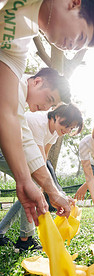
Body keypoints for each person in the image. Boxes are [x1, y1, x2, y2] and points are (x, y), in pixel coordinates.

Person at [0, 0, 94, 224]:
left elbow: (10, 118)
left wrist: (27, 181)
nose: (72, 47)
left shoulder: (18, 48)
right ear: (75, 3)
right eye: (80, 37)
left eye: (79, 48)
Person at [0, 68, 75, 250]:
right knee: (32, 184)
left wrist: (53, 192)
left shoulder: (19, 100)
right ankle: (25, 239)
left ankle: (23, 238)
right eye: (49, 99)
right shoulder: (14, 86)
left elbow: (29, 147)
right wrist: (52, 191)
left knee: (31, 186)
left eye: (52, 105)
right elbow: (29, 147)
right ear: (37, 81)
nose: (46, 108)